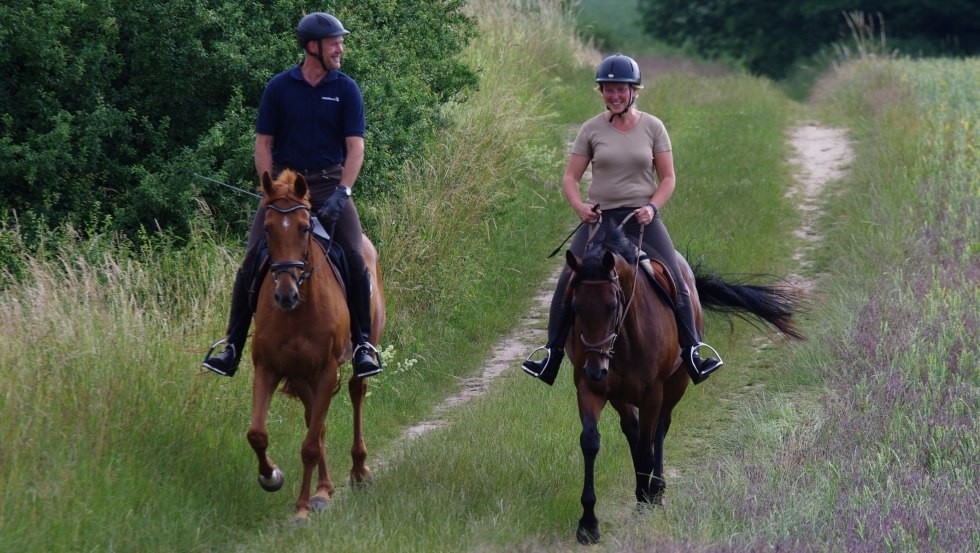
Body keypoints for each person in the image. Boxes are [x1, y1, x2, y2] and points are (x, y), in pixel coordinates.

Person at [522, 53, 722, 386]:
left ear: (634, 91)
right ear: (601, 91)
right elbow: (571, 178)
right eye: (608, 90)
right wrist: (579, 207)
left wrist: (653, 208)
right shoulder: (591, 129)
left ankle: (692, 351)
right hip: (600, 219)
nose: (614, 95)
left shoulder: (653, 127)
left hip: (641, 217)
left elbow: (669, 178)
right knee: (566, 283)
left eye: (621, 90)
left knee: (674, 276)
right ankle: (551, 355)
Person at [203, 12, 382, 378]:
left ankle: (363, 345)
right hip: (286, 189)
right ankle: (232, 346)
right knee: (252, 259)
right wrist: (271, 189)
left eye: (340, 41)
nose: (340, 48)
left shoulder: (346, 89)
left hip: (332, 184)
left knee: (354, 256)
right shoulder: (279, 88)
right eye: (335, 42)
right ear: (312, 47)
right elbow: (263, 145)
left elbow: (356, 149)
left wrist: (342, 192)